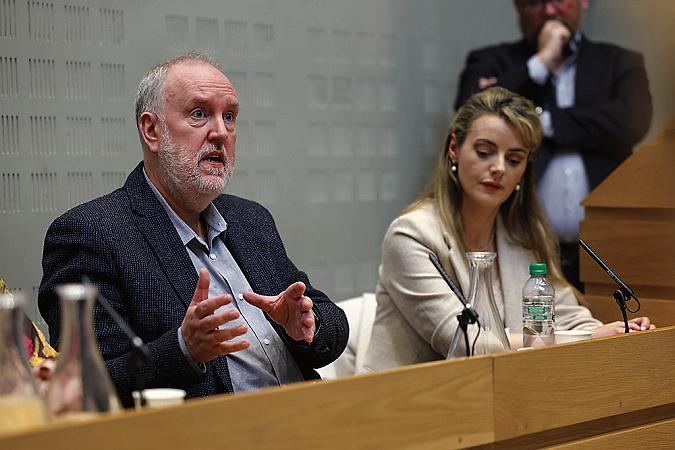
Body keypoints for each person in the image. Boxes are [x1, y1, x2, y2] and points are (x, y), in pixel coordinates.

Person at [38, 53, 348, 407]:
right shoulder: (92, 233)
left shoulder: (250, 220)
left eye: (229, 117)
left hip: (314, 420)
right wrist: (184, 349)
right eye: (199, 114)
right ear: (151, 130)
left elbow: (332, 325)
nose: (220, 132)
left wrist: (306, 328)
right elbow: (84, 385)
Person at [363, 87, 652, 372]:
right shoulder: (413, 235)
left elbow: (565, 316)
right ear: (454, 148)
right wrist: (587, 338)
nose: (499, 168)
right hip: (409, 405)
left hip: (499, 396)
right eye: (485, 152)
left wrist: (615, 332)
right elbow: (465, 343)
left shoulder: (523, 235)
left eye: (514, 159)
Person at [454, 0, 652, 290]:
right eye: (535, 2)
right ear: (518, 8)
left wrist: (540, 121)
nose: (549, 12)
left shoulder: (619, 62)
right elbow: (470, 118)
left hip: (608, 247)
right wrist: (541, 62)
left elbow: (631, 122)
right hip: (518, 245)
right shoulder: (491, 60)